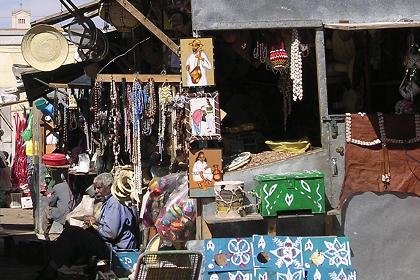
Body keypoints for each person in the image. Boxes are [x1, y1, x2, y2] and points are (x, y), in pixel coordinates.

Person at [37, 173, 138, 280]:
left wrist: (93, 227)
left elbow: (110, 233)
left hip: (113, 249)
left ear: (109, 187)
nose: (96, 191)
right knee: (71, 234)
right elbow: (108, 223)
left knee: (72, 233)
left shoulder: (114, 203)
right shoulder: (109, 202)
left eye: (99, 188)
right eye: (95, 188)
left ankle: (51, 268)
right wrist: (95, 221)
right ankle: (54, 266)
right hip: (108, 244)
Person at [42, 168, 72, 239]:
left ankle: (46, 234)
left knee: (47, 210)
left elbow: (51, 203)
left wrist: (48, 195)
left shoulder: (57, 186)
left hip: (64, 213)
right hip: (73, 210)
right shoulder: (75, 186)